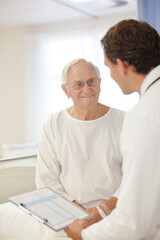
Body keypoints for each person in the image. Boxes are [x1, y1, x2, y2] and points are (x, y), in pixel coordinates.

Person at [64, 20, 160, 240]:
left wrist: (84, 235)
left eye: (108, 69)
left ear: (122, 65)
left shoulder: (143, 115)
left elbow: (133, 223)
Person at [35, 58, 125, 238]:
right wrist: (79, 216)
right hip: (67, 216)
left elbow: (135, 175)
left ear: (100, 84)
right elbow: (46, 181)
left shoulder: (124, 121)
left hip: (116, 212)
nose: (86, 89)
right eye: (78, 84)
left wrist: (102, 210)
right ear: (65, 90)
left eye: (92, 81)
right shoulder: (54, 124)